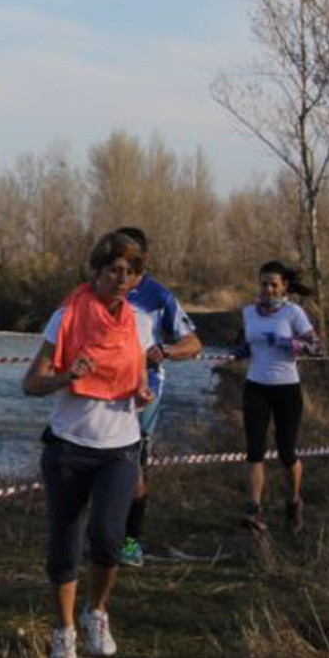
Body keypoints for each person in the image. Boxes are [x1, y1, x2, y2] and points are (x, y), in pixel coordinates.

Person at [22, 231, 155, 658]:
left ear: (137, 279)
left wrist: (143, 389)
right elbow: (31, 383)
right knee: (65, 543)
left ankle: (96, 611)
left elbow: (141, 371)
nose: (120, 278)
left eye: (129, 272)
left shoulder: (140, 322)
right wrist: (67, 376)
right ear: (95, 272)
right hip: (69, 446)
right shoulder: (66, 318)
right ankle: (63, 630)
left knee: (109, 538)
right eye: (112, 270)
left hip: (119, 446)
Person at [110, 227, 202, 568]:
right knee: (99, 462)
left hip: (144, 392)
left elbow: (194, 344)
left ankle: (131, 543)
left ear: (141, 261)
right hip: (101, 391)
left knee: (131, 465)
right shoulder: (100, 290)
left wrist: (163, 350)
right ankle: (103, 536)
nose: (121, 270)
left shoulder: (157, 296)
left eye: (129, 260)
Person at [239, 260, 319, 534]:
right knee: (254, 451)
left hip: (286, 388)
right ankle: (254, 510)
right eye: (264, 284)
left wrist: (287, 343)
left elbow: (316, 347)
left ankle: (294, 501)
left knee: (286, 452)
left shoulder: (293, 313)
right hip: (255, 386)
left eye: (274, 284)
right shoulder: (248, 312)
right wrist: (233, 354)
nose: (268, 289)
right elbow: (245, 344)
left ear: (284, 286)